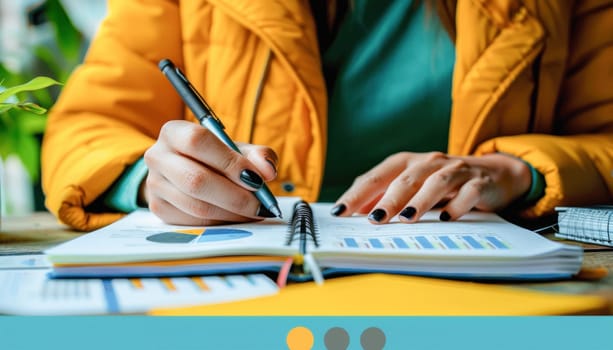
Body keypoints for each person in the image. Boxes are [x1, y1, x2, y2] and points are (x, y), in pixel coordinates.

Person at [41, 0, 613, 231]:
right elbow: (83, 127)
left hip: (483, 282)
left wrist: (520, 171)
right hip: (248, 287)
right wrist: (153, 179)